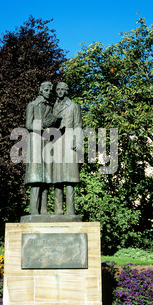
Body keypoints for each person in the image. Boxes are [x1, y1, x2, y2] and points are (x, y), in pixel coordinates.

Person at [24, 81, 59, 215]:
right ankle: (33, 210)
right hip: (35, 141)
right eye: (46, 90)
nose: (49, 92)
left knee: (46, 177)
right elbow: (28, 124)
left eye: (50, 91)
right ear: (41, 90)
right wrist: (42, 126)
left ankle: (44, 210)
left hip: (47, 141)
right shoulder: (32, 105)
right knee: (36, 177)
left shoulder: (50, 107)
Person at [52, 82, 83, 215]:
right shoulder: (52, 106)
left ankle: (71, 211)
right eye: (57, 89)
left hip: (70, 141)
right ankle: (58, 211)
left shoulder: (74, 106)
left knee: (70, 177)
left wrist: (79, 143)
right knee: (57, 177)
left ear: (66, 91)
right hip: (56, 141)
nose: (59, 91)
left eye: (62, 89)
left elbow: (78, 125)